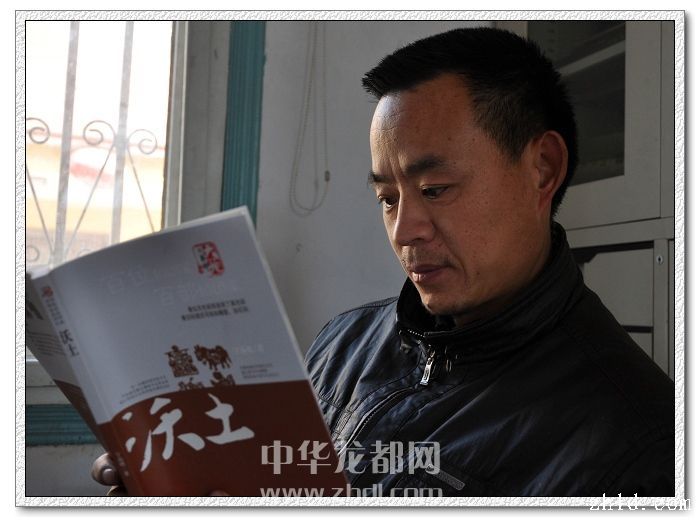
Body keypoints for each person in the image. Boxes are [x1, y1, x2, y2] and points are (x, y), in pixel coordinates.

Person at [92, 27, 674, 497]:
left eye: (435, 189)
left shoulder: (640, 445)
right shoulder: (341, 343)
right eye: (387, 198)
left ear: (542, 170)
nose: (404, 230)